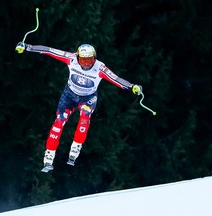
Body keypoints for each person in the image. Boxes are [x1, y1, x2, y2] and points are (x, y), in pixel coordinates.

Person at [15, 42, 142, 172]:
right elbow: (50, 50)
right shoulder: (71, 58)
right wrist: (27, 47)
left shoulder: (99, 68)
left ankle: (76, 147)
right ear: (77, 57)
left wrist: (132, 86)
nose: (86, 64)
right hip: (69, 96)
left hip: (87, 98)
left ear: (95, 58)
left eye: (90, 60)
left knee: (85, 118)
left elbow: (116, 79)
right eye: (83, 60)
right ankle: (49, 155)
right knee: (59, 122)